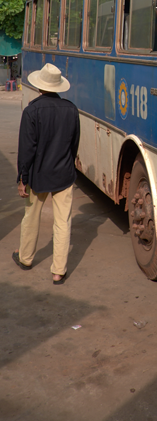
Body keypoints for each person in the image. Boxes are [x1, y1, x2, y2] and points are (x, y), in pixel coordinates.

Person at [12, 63, 80, 285]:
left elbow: (27, 149)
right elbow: (74, 145)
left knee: (31, 217)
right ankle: (58, 271)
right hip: (64, 174)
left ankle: (26, 258)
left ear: (39, 86)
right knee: (63, 222)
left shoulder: (31, 111)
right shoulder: (71, 109)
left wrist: (23, 178)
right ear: (58, 86)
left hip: (38, 175)